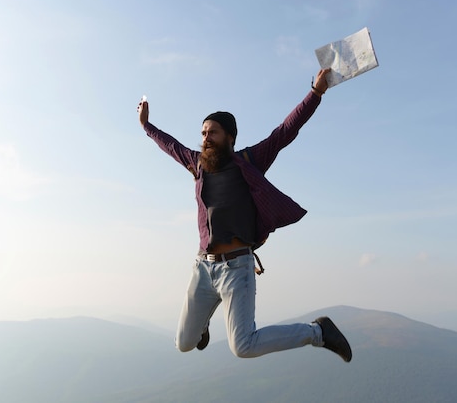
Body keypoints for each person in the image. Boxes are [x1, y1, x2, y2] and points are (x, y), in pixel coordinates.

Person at [137, 68, 352, 362]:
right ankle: (201, 327)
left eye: (212, 132)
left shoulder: (248, 161)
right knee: (184, 344)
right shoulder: (197, 164)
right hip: (203, 267)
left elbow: (284, 132)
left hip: (237, 268)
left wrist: (315, 93)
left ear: (230, 137)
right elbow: (171, 145)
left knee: (243, 346)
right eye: (203, 133)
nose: (206, 138)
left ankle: (318, 332)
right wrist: (147, 126)